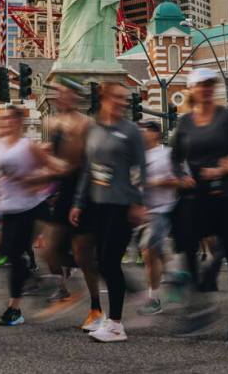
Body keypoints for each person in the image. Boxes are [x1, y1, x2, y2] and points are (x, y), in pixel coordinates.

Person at [170, 68, 228, 337]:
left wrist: (226, 166)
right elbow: (174, 157)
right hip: (197, 193)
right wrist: (181, 176)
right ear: (191, 89)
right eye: (201, 85)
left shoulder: (226, 117)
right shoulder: (185, 123)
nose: (206, 89)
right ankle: (198, 304)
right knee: (188, 246)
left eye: (210, 85)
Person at [70, 81, 146, 343]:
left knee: (109, 261)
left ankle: (115, 324)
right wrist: (78, 202)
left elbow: (138, 169)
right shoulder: (94, 130)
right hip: (97, 204)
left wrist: (138, 202)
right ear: (103, 98)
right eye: (117, 97)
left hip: (122, 204)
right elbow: (89, 168)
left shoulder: (131, 131)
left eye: (125, 98)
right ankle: (119, 309)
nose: (122, 102)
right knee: (99, 261)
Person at [37, 77, 105, 331]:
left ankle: (96, 308)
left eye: (65, 93)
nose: (60, 97)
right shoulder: (52, 122)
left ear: (75, 97)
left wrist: (65, 165)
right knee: (49, 248)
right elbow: (52, 156)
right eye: (58, 93)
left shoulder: (85, 124)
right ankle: (68, 288)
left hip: (82, 189)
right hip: (62, 189)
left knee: (83, 255)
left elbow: (89, 161)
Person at [0, 106, 57, 326]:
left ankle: (14, 309)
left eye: (8, 118)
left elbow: (53, 169)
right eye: (0, 118)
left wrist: (34, 182)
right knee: (9, 254)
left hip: (30, 206)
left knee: (15, 256)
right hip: (7, 208)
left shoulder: (28, 146)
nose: (4, 122)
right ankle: (36, 281)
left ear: (18, 122)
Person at [137, 121, 178, 316]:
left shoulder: (167, 154)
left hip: (163, 209)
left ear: (155, 134)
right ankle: (176, 275)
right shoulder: (136, 157)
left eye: (144, 131)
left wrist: (157, 182)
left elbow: (181, 180)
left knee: (149, 252)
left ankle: (154, 298)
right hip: (142, 213)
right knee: (156, 253)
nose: (141, 135)